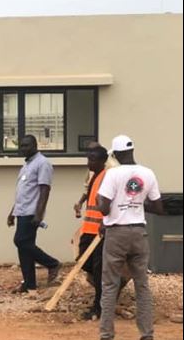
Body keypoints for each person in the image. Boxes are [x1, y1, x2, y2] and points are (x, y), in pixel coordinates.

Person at [96, 135, 163, 340]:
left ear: (114, 155)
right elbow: (158, 207)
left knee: (109, 285)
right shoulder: (148, 173)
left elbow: (104, 207)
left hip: (117, 234)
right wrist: (136, 203)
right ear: (133, 150)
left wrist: (113, 205)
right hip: (139, 233)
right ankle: (147, 338)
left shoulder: (112, 174)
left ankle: (106, 337)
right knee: (142, 285)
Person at [6, 135, 61, 297]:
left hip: (32, 212)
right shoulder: (27, 165)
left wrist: (39, 214)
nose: (23, 149)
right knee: (24, 248)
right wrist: (12, 212)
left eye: (26, 146)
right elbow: (22, 192)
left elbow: (45, 190)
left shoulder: (42, 163)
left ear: (35, 145)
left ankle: (52, 263)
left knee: (20, 241)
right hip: (22, 211)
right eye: (21, 146)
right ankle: (29, 284)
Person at [74, 145, 110, 320]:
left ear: (103, 160)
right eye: (88, 158)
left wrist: (105, 221)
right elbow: (88, 194)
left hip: (99, 231)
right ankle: (103, 297)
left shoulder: (107, 176)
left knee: (98, 269)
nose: (89, 162)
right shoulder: (93, 176)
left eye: (93, 159)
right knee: (84, 262)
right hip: (89, 229)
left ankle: (100, 306)